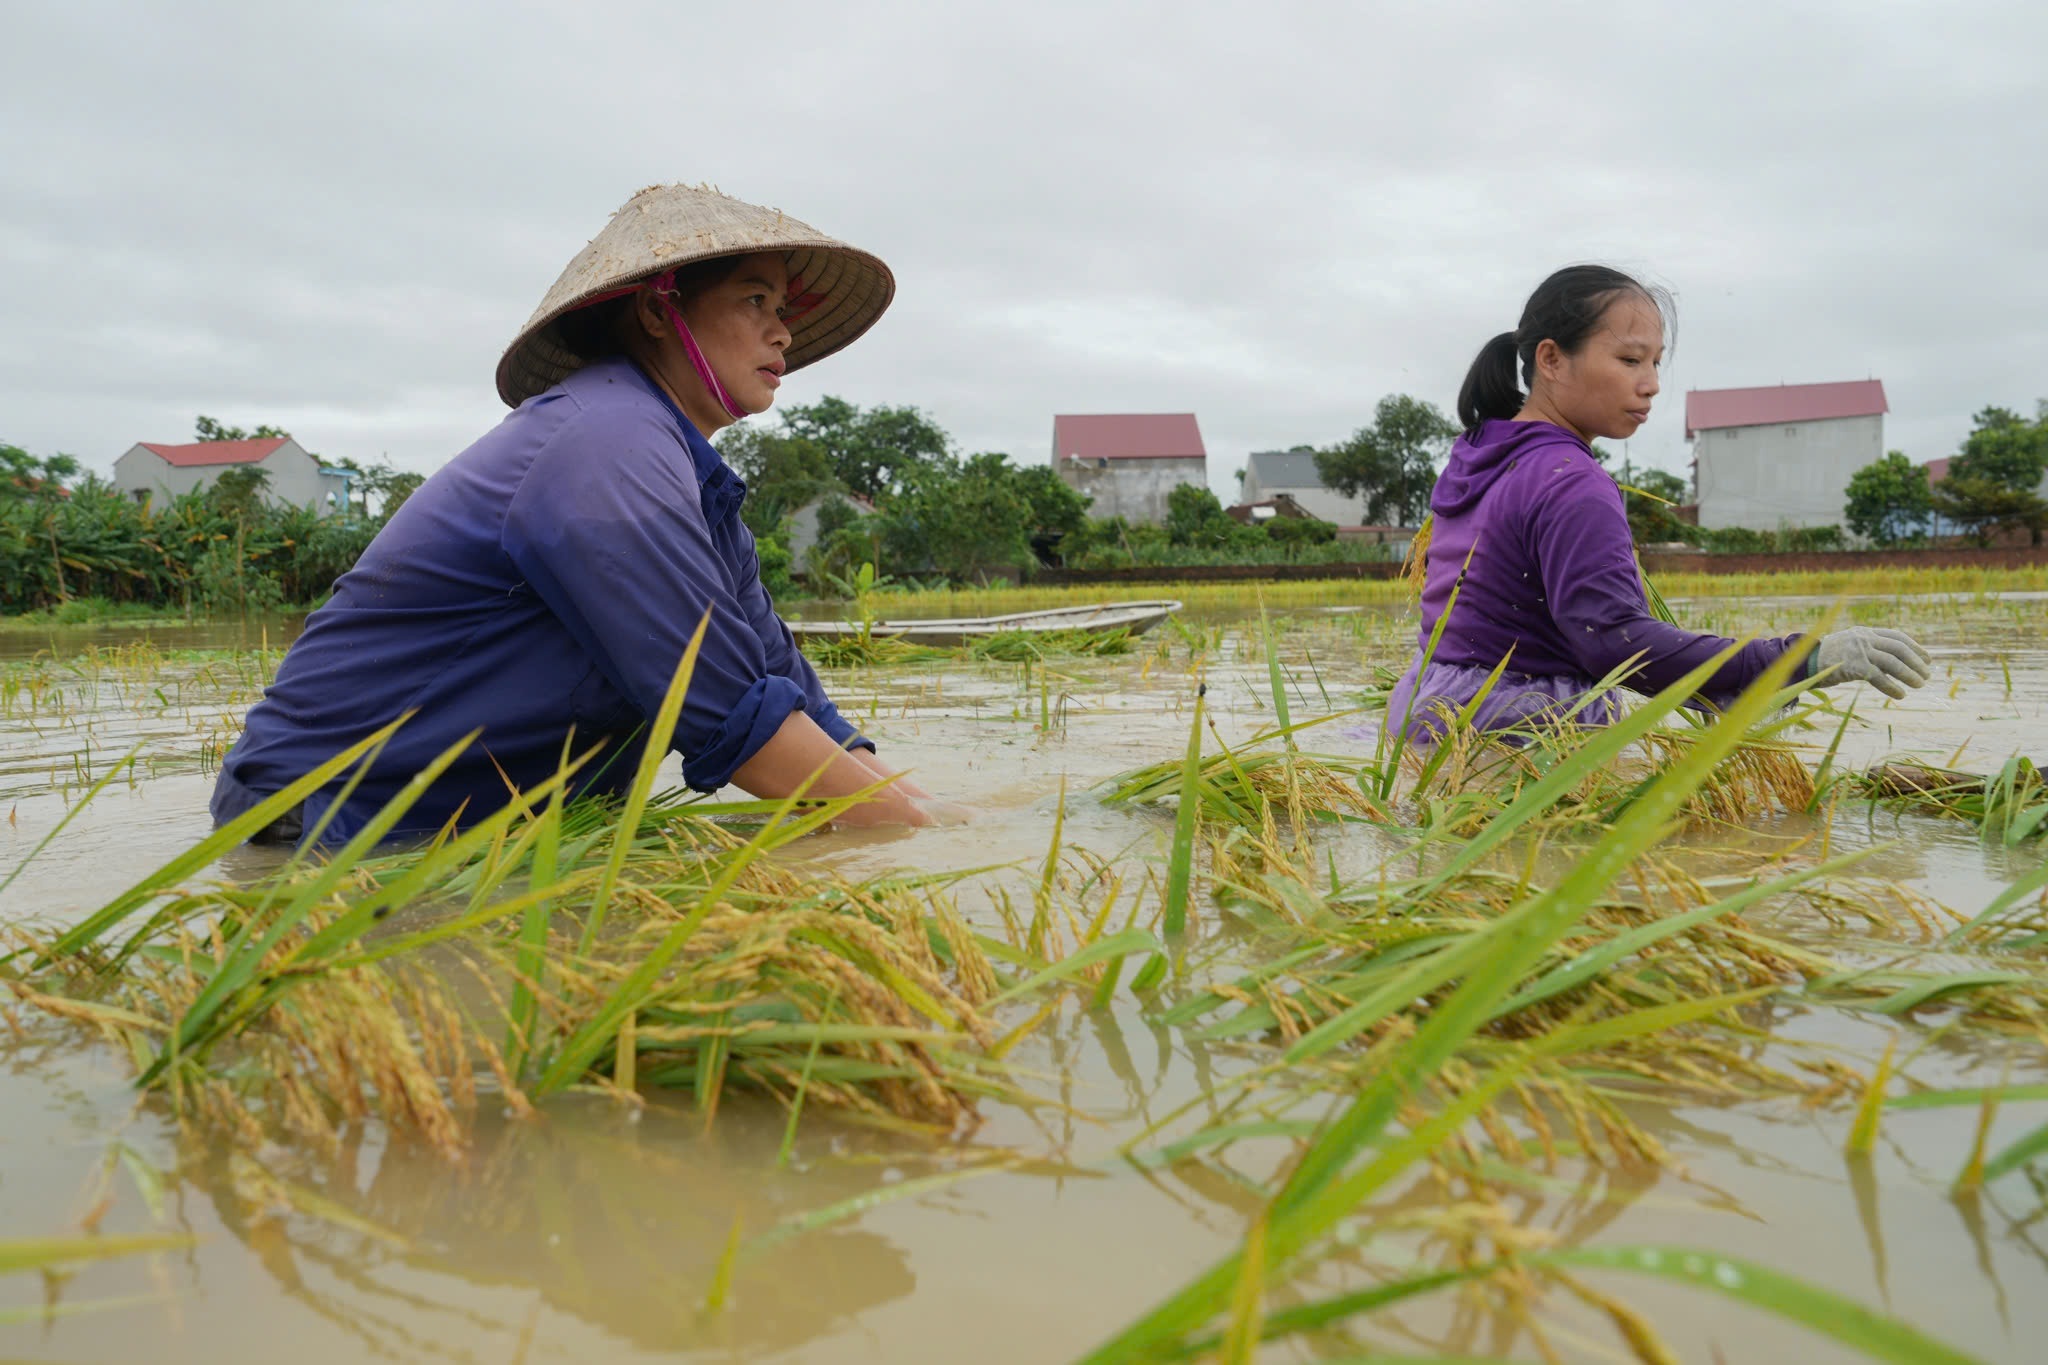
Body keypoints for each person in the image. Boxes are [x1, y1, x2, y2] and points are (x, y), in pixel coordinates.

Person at [212, 183, 955, 844]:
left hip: (487, 834)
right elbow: (736, 721)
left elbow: (791, 699)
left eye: (783, 310)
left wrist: (942, 815)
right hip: (327, 825)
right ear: (657, 311)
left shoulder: (695, 490)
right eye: (754, 300)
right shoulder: (607, 444)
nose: (782, 332)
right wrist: (924, 840)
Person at [1387, 264, 1931, 743]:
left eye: (1655, 364)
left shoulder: (1480, 453)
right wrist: (1802, 659)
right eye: (1629, 360)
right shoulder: (1571, 481)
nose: (1650, 386)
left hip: (1427, 708)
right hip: (1517, 729)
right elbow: (1615, 643)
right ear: (1551, 359)